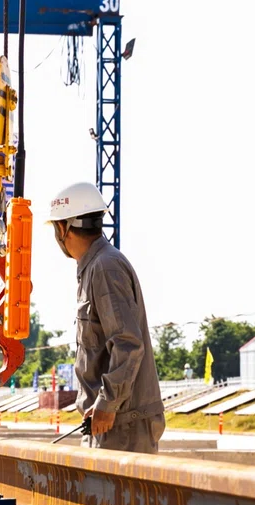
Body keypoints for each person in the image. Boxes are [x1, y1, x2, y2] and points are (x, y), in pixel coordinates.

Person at [45, 182, 165, 453]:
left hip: (121, 425)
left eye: (55, 229)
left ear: (64, 228)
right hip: (108, 423)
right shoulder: (93, 267)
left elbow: (127, 343)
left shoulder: (104, 267)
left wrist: (107, 404)